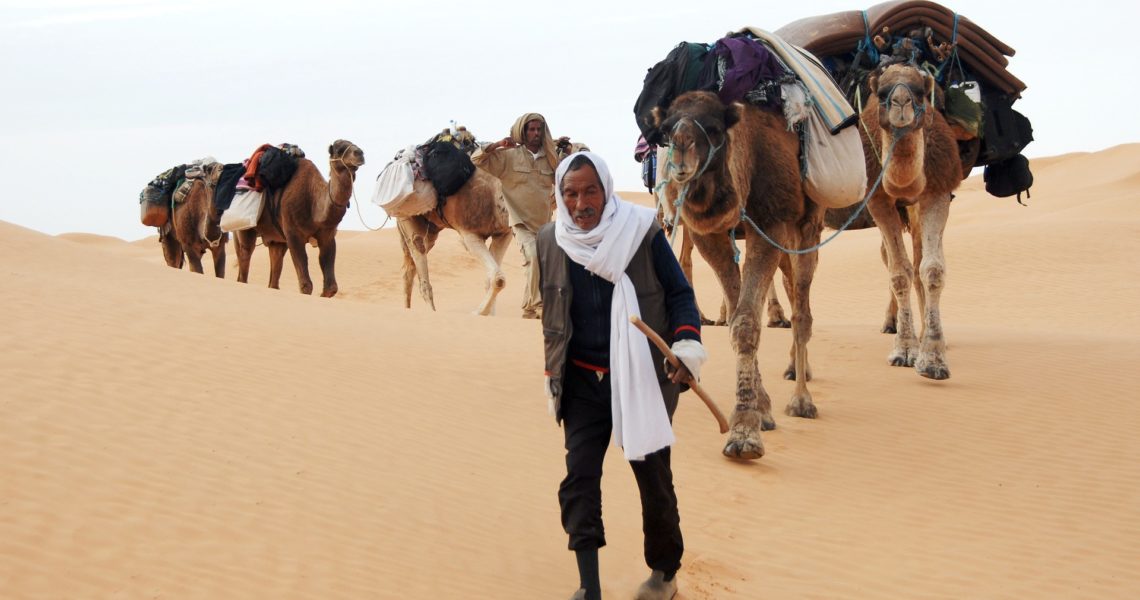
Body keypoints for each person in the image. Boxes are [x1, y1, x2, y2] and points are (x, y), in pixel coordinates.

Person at [537, 151, 707, 600]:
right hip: (580, 383)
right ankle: (588, 586)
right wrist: (553, 370)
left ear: (606, 190)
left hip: (638, 379)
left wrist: (686, 346)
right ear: (560, 195)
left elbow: (681, 296)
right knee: (579, 480)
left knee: (653, 479)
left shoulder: (641, 231)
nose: (580, 203)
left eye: (590, 190)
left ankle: (664, 574)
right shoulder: (550, 241)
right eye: (570, 193)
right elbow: (553, 314)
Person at [473, 113, 573, 319]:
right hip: (520, 223)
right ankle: (538, 305)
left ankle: (529, 309)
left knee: (538, 264)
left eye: (539, 129)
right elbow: (477, 159)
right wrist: (497, 145)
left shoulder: (550, 159)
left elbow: (564, 181)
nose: (535, 133)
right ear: (523, 131)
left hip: (544, 225)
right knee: (534, 256)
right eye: (531, 129)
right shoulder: (509, 157)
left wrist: (566, 155)